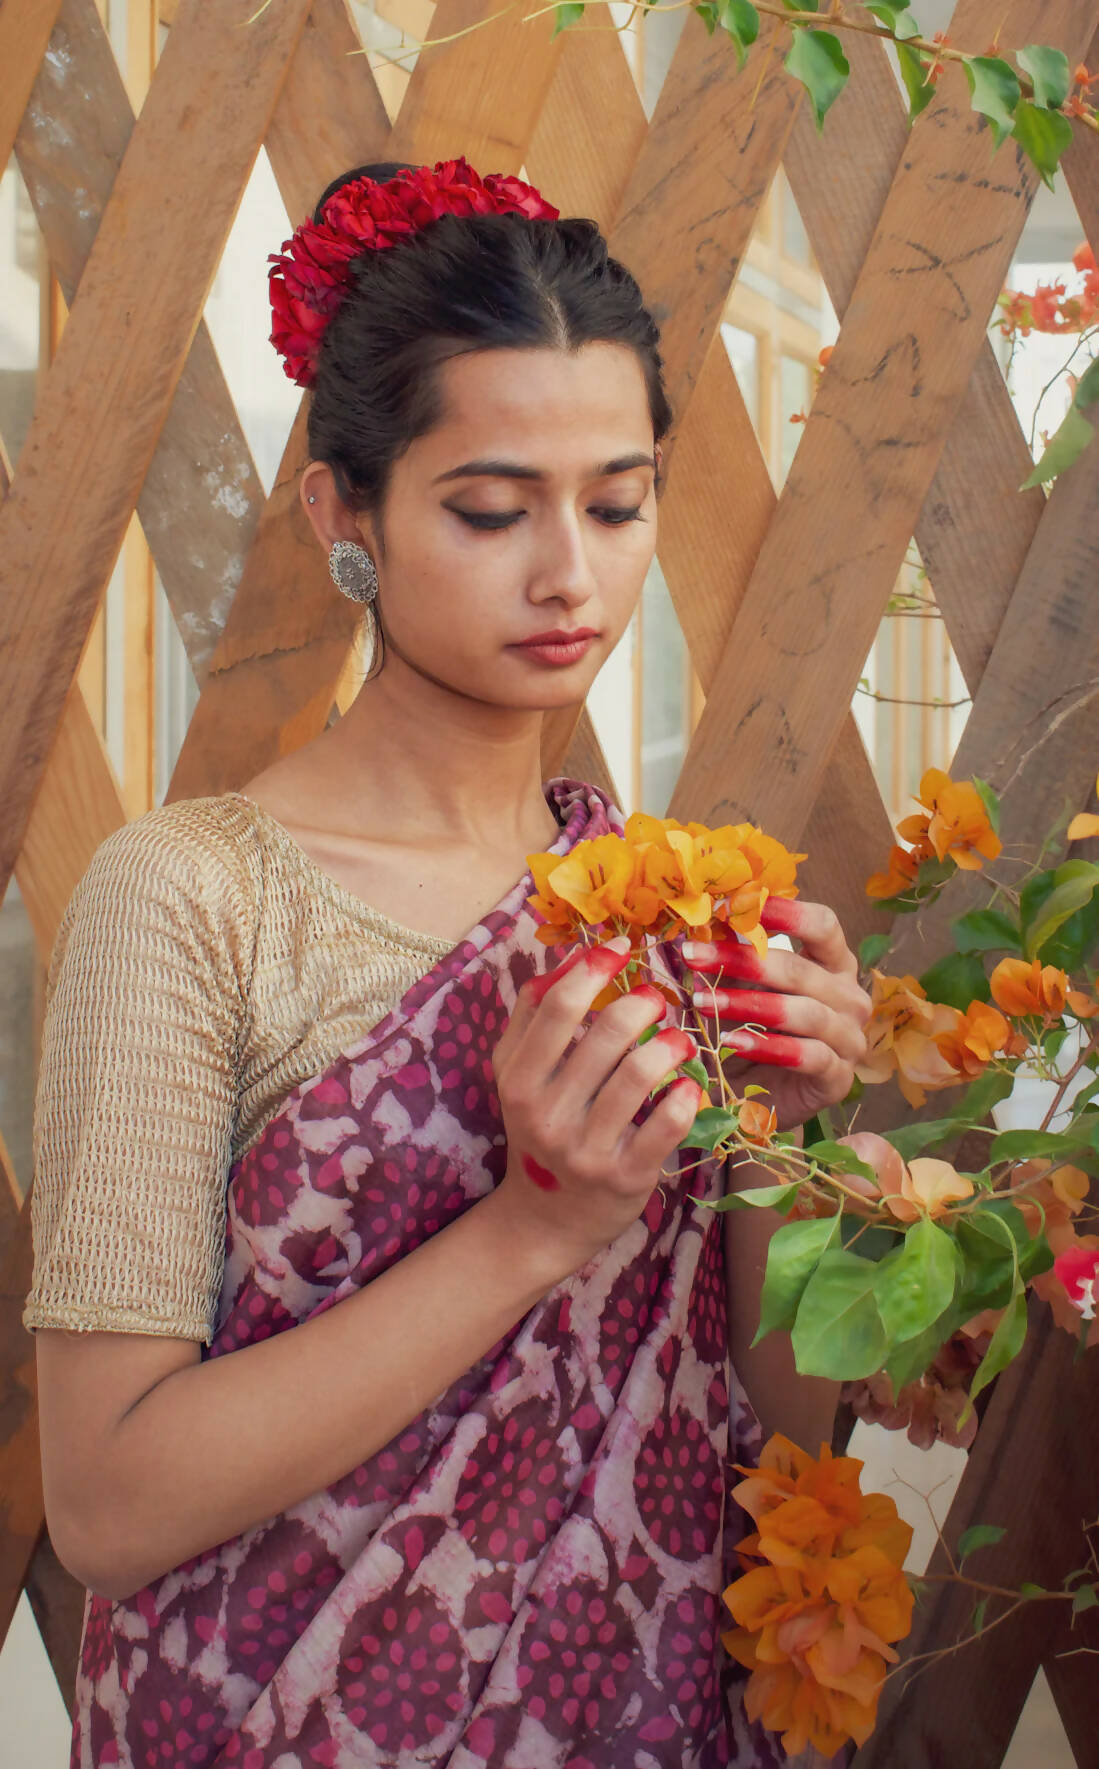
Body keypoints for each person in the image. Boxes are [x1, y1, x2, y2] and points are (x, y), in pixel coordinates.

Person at [26, 158, 870, 1768]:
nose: (570, 573)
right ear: (342, 511)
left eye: (617, 503)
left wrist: (785, 1140)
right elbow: (108, 1504)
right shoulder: (199, 901)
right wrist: (531, 1230)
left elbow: (772, 1421)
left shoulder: (664, 908)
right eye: (491, 509)